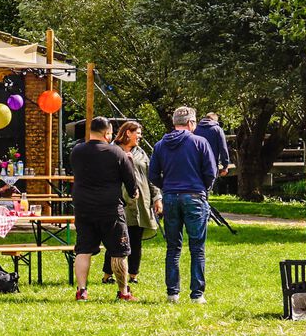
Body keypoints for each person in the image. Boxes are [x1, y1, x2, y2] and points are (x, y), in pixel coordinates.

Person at [149, 105, 217, 304]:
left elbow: (153, 175)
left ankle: (172, 293)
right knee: (197, 247)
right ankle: (197, 294)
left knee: (173, 247)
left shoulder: (160, 145)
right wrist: (203, 187)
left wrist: (166, 186)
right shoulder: (200, 142)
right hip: (194, 196)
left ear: (174, 123)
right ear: (190, 123)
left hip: (170, 197)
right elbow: (211, 171)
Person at [69, 117, 141, 302]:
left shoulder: (77, 151)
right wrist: (133, 191)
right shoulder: (117, 153)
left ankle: (81, 291)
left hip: (83, 208)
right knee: (119, 251)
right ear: (107, 133)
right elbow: (131, 184)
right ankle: (123, 292)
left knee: (83, 250)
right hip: (110, 208)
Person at [116, 120, 163, 286]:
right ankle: (108, 273)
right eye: (138, 133)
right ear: (128, 133)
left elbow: (151, 177)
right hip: (120, 201)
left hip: (141, 202)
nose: (140, 137)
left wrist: (157, 198)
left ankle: (133, 274)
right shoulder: (114, 150)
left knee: (136, 240)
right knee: (118, 240)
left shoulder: (141, 153)